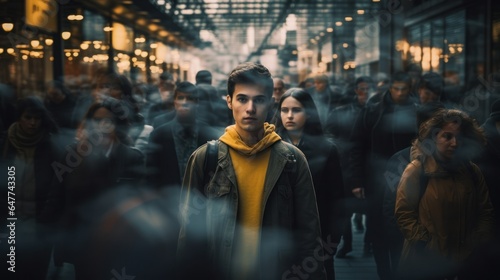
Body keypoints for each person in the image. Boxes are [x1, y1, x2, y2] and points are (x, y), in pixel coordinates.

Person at [177, 62, 326, 280]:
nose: (250, 108)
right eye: (242, 99)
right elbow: (188, 234)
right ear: (229, 102)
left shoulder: (291, 160)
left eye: (259, 100)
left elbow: (309, 235)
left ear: (271, 103)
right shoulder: (205, 158)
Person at [395, 109, 494, 279]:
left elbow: (485, 211)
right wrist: (423, 243)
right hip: (426, 264)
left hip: (464, 263)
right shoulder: (417, 170)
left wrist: (476, 242)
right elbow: (404, 212)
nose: (454, 143)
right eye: (447, 137)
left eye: (459, 138)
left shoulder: (471, 171)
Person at [53, 98, 144, 279]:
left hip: (119, 242)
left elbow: (140, 201)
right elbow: (59, 198)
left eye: (108, 120)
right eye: (96, 120)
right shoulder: (73, 155)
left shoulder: (132, 157)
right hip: (84, 242)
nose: (102, 125)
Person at [349, 71, 418, 280]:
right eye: (396, 88)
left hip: (408, 176)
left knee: (404, 224)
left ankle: (399, 270)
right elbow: (357, 145)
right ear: (390, 87)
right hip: (377, 178)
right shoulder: (374, 110)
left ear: (409, 88)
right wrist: (357, 180)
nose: (399, 93)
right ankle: (384, 273)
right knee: (378, 227)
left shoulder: (415, 110)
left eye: (403, 89)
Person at [274, 88, 345, 280]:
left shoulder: (327, 149)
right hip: (278, 235)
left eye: (296, 110)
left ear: (308, 112)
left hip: (316, 235)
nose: (289, 116)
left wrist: (332, 241)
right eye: (284, 110)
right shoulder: (270, 147)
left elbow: (336, 199)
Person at [381, 102, 446, 279]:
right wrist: (408, 240)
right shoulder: (401, 160)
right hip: (408, 244)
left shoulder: (457, 162)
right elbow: (390, 207)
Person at [0, 96, 61, 280]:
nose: (33, 123)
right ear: (19, 118)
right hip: (8, 220)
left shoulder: (50, 145)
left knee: (35, 271)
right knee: (9, 270)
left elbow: (57, 185)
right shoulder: (4, 143)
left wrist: (46, 217)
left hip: (38, 221)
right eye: (28, 117)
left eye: (37, 118)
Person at [324, 76, 373, 258]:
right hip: (344, 166)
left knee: (371, 208)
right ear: (355, 90)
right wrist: (339, 148)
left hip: (367, 166)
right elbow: (328, 133)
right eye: (362, 89)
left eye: (368, 89)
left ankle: (368, 243)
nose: (365, 93)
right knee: (344, 208)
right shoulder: (341, 111)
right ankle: (348, 243)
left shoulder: (375, 111)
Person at [146, 81, 221, 191]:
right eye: (181, 98)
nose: (185, 103)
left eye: (189, 99)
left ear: (196, 102)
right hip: (168, 200)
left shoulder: (208, 135)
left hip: (200, 200)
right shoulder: (159, 135)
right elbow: (151, 176)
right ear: (175, 102)